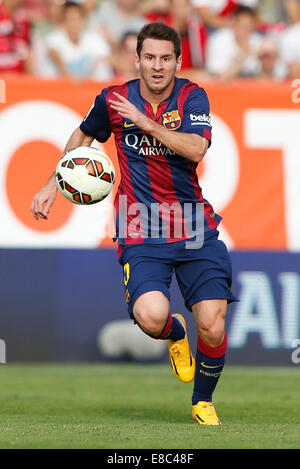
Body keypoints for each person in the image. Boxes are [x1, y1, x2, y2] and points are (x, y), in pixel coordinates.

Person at [31, 22, 238, 426]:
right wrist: (52, 184)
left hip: (193, 223)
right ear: (137, 59)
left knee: (212, 325)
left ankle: (202, 400)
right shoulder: (113, 99)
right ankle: (175, 335)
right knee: (151, 317)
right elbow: (83, 136)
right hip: (141, 227)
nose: (157, 66)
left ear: (178, 61)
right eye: (150, 57)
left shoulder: (192, 96)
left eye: (166, 58)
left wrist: (145, 124)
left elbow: (196, 148)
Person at [46, 1, 113, 80]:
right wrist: (74, 81)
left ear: (83, 20)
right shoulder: (53, 39)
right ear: (63, 21)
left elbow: (113, 60)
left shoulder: (94, 39)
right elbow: (59, 63)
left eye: (78, 18)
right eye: (71, 19)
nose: (75, 23)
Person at [205, 5, 262, 80]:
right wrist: (244, 56)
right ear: (233, 23)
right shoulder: (219, 40)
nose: (243, 30)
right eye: (240, 25)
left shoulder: (258, 41)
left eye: (247, 26)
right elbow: (217, 78)